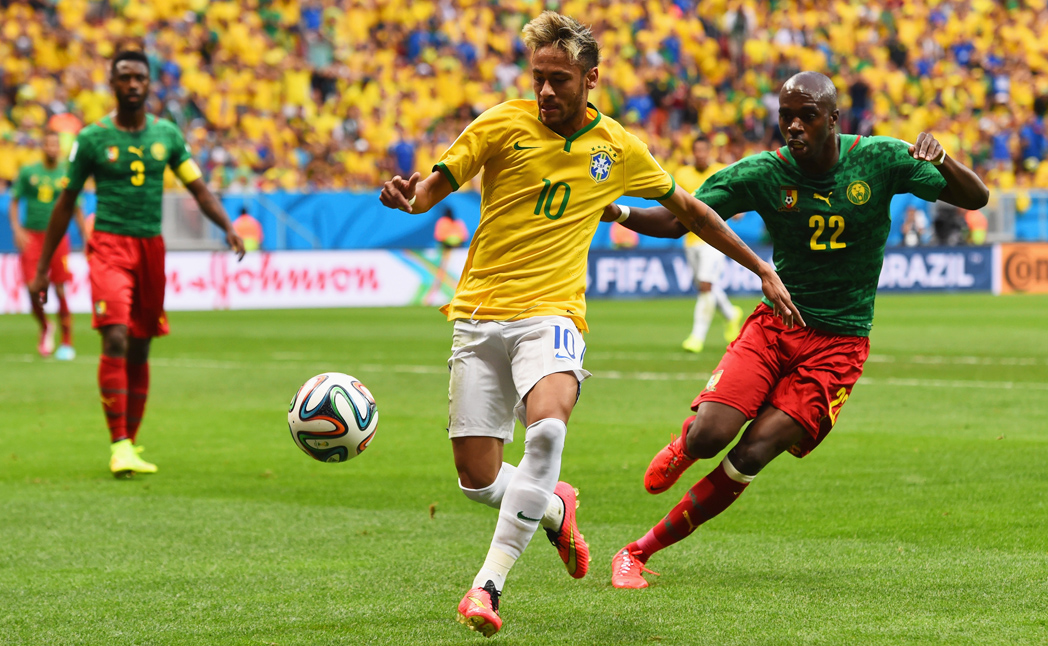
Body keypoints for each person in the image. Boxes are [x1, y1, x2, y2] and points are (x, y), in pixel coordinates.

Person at [379, 11, 798, 638]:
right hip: (478, 316)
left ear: (590, 78)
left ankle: (486, 586)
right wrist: (405, 196)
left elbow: (689, 210)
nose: (545, 91)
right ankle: (552, 506)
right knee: (477, 479)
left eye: (559, 80)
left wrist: (758, 266)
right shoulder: (498, 124)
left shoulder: (618, 148)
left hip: (552, 314)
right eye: (538, 78)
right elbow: (427, 192)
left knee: (546, 432)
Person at [605, 71, 988, 589]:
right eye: (785, 116)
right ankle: (686, 445)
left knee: (751, 454)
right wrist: (617, 210)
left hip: (840, 345)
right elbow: (680, 220)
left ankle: (637, 551)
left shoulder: (880, 158)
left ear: (833, 119)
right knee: (712, 435)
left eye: (806, 115)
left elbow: (976, 198)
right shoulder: (762, 173)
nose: (793, 126)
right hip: (776, 327)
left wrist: (941, 159)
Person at [29, 50, 245, 478]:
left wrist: (227, 226)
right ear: (112, 82)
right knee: (115, 338)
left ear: (149, 84)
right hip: (108, 244)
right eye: (124, 77)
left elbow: (198, 189)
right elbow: (65, 202)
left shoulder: (166, 135)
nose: (132, 84)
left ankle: (130, 439)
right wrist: (39, 270)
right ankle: (119, 444)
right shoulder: (92, 139)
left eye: (139, 78)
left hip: (151, 248)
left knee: (142, 343)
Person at [8, 129, 86, 359]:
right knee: (33, 288)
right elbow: (14, 202)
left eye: (55, 145)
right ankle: (45, 326)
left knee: (60, 288)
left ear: (59, 148)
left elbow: (76, 206)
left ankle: (67, 340)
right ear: (43, 147)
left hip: (58, 237)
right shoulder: (29, 172)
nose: (52, 148)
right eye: (48, 144)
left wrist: (85, 235)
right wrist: (17, 228)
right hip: (33, 237)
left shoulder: (67, 172)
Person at [674, 135, 743, 353]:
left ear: (709, 151)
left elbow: (737, 200)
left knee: (705, 285)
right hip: (691, 239)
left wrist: (736, 208)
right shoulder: (682, 174)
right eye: (697, 150)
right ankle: (732, 314)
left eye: (704, 150)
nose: (700, 154)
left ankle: (696, 338)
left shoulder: (721, 171)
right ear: (692, 152)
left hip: (715, 238)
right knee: (706, 286)